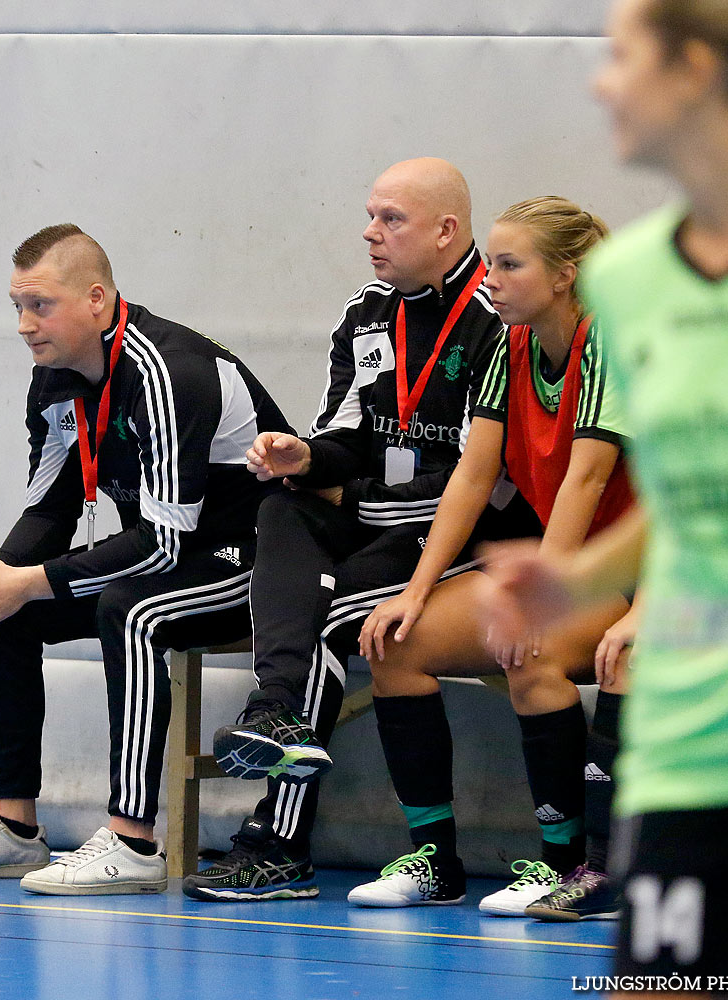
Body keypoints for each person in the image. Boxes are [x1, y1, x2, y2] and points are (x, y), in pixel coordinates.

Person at [480, 0, 728, 992]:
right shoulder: (637, 281)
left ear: (694, 72)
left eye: (622, 58)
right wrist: (577, 580)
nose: (602, 82)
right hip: (699, 728)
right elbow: (695, 490)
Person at [183, 158, 533, 902]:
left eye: (389, 219)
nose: (369, 233)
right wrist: (304, 456)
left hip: (468, 535)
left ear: (446, 230)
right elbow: (344, 433)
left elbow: (485, 483)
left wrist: (356, 495)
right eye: (371, 216)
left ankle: (282, 845)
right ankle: (275, 708)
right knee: (281, 501)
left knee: (339, 613)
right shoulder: (366, 313)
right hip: (380, 518)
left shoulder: (500, 318)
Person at [0, 224, 292, 896]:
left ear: (96, 298)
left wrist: (30, 580)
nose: (25, 325)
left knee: (130, 609)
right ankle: (15, 828)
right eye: (16, 306)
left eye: (41, 305)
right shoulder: (54, 380)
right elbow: (50, 510)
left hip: (250, 556)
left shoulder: (167, 372)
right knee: (3, 613)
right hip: (173, 552)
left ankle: (133, 841)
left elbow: (169, 543)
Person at [346, 196, 635, 916]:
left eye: (509, 265)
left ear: (566, 276)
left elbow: (587, 476)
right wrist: (415, 590)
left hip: (645, 571)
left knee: (527, 653)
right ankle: (434, 863)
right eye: (492, 264)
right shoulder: (510, 346)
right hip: (572, 564)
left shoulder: (609, 342)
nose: (490, 280)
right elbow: (474, 476)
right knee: (397, 645)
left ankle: (568, 864)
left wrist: (546, 594)